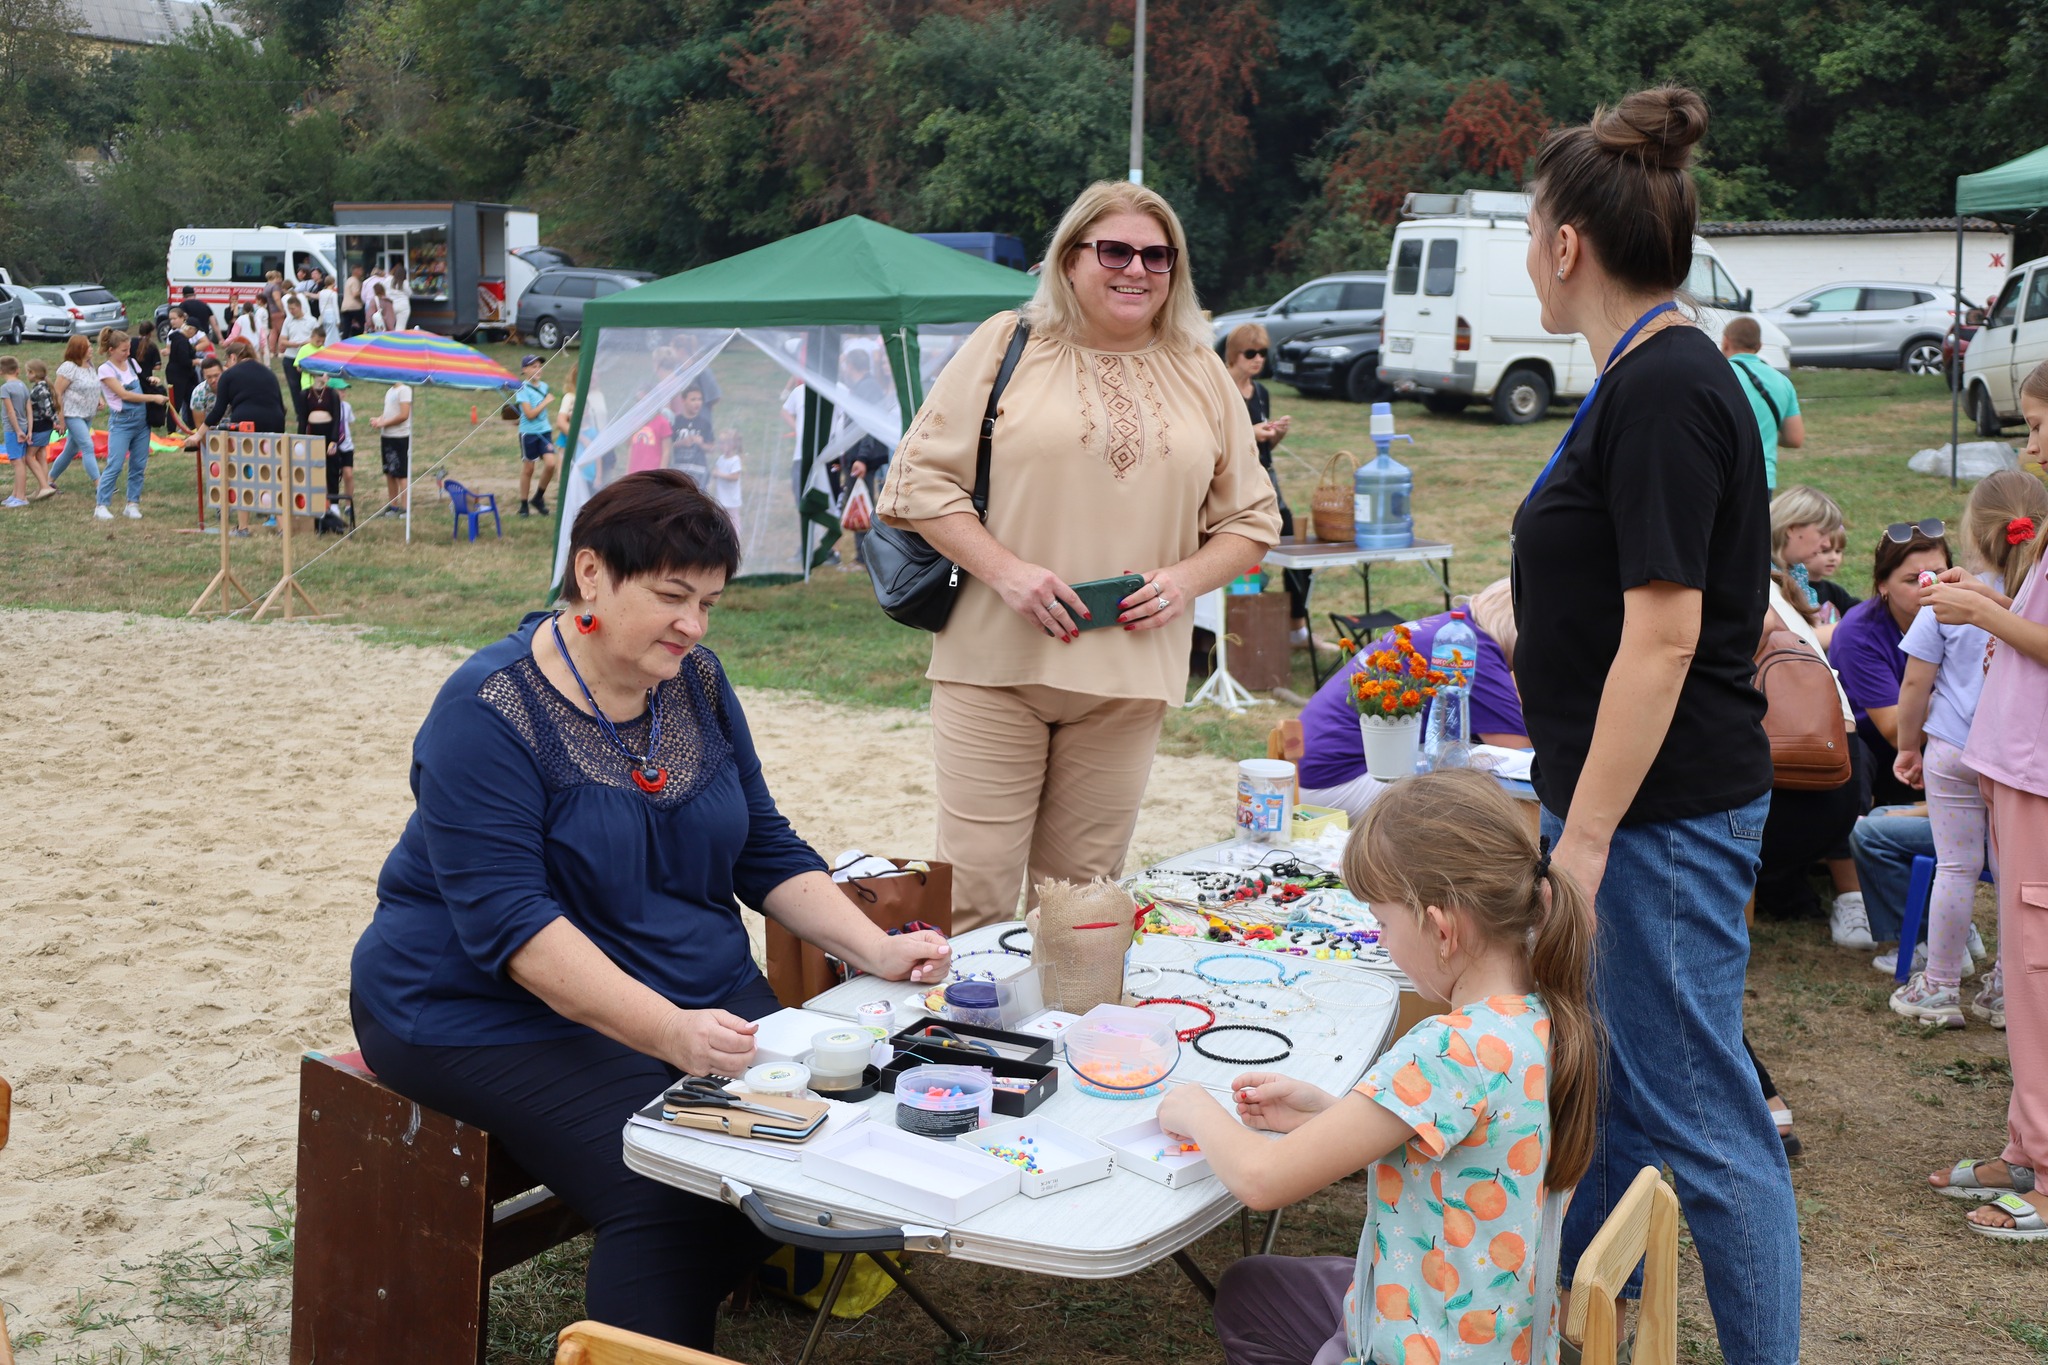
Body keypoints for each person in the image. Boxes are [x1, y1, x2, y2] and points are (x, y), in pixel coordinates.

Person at [348, 470, 952, 1347]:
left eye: (708, 601)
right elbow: (515, 931)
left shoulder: (694, 681)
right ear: (590, 573)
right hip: (474, 1006)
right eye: (673, 596)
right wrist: (668, 1033)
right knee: (670, 1177)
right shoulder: (487, 711)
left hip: (672, 979)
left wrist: (877, 949)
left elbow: (762, 847)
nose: (695, 625)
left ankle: (701, 1289)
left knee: (818, 1120)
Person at [1510, 87, 1797, 1363]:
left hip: (1658, 820)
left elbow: (1668, 633)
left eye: (1529, 233)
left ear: (1566, 244)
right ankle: (1589, 1333)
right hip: (1627, 805)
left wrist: (1581, 844)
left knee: (1702, 1122)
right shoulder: (1642, 377)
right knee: (1621, 1100)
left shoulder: (1669, 386)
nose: (1528, 256)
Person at [879, 180, 1280, 931]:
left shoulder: (1202, 369)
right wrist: (1007, 571)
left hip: (1128, 678)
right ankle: (969, 1049)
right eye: (1116, 250)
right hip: (995, 665)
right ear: (1069, 260)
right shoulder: (1007, 342)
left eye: (1157, 256)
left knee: (1082, 908)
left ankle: (1064, 1047)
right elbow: (919, 482)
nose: (1137, 269)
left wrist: (1183, 580)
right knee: (974, 902)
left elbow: (1253, 519)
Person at [1160, 768, 1596, 1365]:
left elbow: (1262, 1181)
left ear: (1440, 928)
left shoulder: (1444, 1048)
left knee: (1253, 1298)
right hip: (1507, 1340)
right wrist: (1332, 1117)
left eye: (1383, 923)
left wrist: (1194, 1107)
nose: (1382, 940)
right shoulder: (1545, 1014)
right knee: (1252, 1286)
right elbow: (1473, 1144)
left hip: (1421, 1346)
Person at [1922, 358, 2048, 1240]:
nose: (2032, 444)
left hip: (2039, 776)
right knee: (2024, 965)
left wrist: (1983, 617)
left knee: (2041, 973)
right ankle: (2026, 1143)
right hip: (2015, 766)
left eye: (2042, 427)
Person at [1890, 469, 2045, 1027]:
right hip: (2013, 757)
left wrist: (1908, 748)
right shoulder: (2035, 596)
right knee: (2016, 876)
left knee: (1955, 868)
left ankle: (1939, 987)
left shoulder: (1950, 597)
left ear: (1975, 535)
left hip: (1953, 750)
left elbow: (1915, 683)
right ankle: (2008, 992)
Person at [1295, 579, 1528, 818]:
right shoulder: (1469, 653)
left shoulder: (1455, 627)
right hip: (1339, 778)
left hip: (1313, 766)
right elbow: (1518, 751)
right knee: (1480, 804)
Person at [1828, 522, 1952, 809]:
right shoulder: (1858, 633)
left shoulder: (1969, 617)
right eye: (1913, 580)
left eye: (1939, 574)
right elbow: (1897, 734)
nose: (1930, 586)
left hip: (1944, 748)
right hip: (1884, 761)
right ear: (1883, 585)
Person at [1224, 322, 1318, 649]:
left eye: (1263, 353)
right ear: (1234, 355)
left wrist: (1276, 435)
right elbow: (1213, 444)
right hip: (1232, 491)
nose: (1258, 360)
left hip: (1267, 485)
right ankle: (1244, 636)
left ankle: (1297, 629)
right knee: (1243, 562)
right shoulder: (1220, 388)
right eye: (1251, 353)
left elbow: (1263, 449)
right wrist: (1252, 432)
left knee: (1297, 550)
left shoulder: (1261, 392)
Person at [94, 328, 169, 521]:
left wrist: (151, 380)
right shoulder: (105, 370)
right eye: (123, 350)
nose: (128, 354)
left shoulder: (132, 363)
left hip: (142, 423)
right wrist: (153, 397)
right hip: (122, 423)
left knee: (138, 465)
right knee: (115, 464)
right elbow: (124, 394)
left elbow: (141, 384)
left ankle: (132, 504)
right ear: (111, 350)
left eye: (128, 350)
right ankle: (101, 505)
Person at [1721, 316, 1802, 493]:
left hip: (1724, 476)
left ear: (1725, 342)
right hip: (1763, 479)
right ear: (1759, 346)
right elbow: (1794, 438)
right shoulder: (1783, 382)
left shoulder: (1719, 376)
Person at [1770, 484, 1847, 646]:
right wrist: (1855, 626)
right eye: (1822, 533)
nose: (1826, 544)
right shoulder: (1762, 576)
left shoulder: (1797, 570)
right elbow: (1800, 641)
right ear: (1791, 528)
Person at [48, 335, 103, 489]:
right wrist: (61, 418)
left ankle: (48, 481)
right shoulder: (69, 367)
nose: (91, 348)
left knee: (71, 450)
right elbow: (57, 392)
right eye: (87, 346)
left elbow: (94, 385)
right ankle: (100, 484)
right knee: (87, 446)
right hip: (72, 414)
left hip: (88, 414)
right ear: (78, 349)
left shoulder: (90, 365)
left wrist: (99, 399)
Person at [513, 354, 557, 517]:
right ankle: (524, 505)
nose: (538, 369)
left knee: (551, 464)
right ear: (524, 370)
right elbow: (530, 414)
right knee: (529, 468)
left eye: (539, 366)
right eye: (533, 367)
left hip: (545, 431)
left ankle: (538, 498)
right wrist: (545, 402)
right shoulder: (522, 389)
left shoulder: (544, 386)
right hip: (529, 434)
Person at [370, 378, 412, 514]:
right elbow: (389, 413)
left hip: (399, 437)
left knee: (401, 474)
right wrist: (379, 419)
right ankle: (393, 506)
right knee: (389, 472)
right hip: (386, 436)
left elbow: (404, 415)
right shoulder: (390, 391)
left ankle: (405, 509)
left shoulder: (405, 390)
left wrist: (384, 423)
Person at [0, 356, 38, 508]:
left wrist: (17, 431)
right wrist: (28, 430)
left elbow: (10, 412)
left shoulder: (5, 388)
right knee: (20, 461)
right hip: (24, 427)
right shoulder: (22, 385)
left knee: (17, 463)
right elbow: (29, 408)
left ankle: (21, 497)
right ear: (17, 370)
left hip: (13, 430)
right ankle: (15, 494)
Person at [21, 360, 57, 501]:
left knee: (28, 457)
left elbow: (47, 410)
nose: (26, 375)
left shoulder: (39, 390)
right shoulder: (44, 386)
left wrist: (56, 421)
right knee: (41, 455)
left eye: (27, 372)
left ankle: (44, 486)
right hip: (45, 427)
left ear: (33, 373)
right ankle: (42, 487)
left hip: (40, 426)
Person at [279, 293, 318, 417]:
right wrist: (293, 344)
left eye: (293, 309)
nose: (291, 311)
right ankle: (299, 413)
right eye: (289, 309)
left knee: (308, 386)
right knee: (294, 387)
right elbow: (282, 340)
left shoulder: (311, 321)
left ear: (300, 307)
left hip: (307, 358)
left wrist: (306, 343)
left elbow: (317, 339)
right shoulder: (288, 321)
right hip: (291, 356)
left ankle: (311, 409)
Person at [164, 308, 201, 429]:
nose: (193, 335)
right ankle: (171, 429)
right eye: (194, 332)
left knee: (191, 400)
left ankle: (192, 425)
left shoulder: (183, 340)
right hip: (177, 375)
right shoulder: (180, 341)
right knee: (176, 402)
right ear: (190, 329)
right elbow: (184, 360)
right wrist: (197, 361)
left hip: (187, 376)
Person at [711, 432, 744, 533]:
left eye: (723, 443)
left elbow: (735, 476)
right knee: (721, 517)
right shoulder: (721, 459)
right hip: (721, 496)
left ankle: (735, 538)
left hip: (732, 498)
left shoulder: (735, 460)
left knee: (733, 519)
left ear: (732, 445)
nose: (721, 446)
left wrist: (720, 474)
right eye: (720, 443)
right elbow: (715, 471)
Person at [341, 266, 366, 339]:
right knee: (362, 325)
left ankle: (344, 342)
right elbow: (355, 294)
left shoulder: (348, 280)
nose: (362, 272)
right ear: (356, 271)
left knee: (346, 328)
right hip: (355, 307)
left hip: (345, 307)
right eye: (361, 270)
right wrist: (363, 292)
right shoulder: (355, 280)